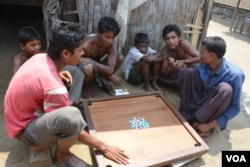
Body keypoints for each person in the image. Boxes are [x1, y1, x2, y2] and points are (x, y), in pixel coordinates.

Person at [4, 23, 129, 166]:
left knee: (74, 73)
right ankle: (62, 156)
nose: (82, 54)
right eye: (79, 50)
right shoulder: (54, 88)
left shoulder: (40, 58)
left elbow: (42, 77)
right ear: (65, 53)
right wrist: (104, 147)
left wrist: (57, 73)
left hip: (17, 117)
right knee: (73, 116)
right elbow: (70, 122)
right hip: (24, 130)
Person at [176, 36, 245, 141]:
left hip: (213, 108)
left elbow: (235, 108)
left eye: (202, 52)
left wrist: (209, 125)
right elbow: (196, 86)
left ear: (212, 55)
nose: (199, 54)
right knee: (188, 72)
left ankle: (201, 123)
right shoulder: (204, 65)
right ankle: (188, 114)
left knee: (225, 89)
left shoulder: (235, 75)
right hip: (203, 101)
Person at [78, 16, 124, 97]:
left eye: (113, 38)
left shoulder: (112, 45)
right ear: (99, 32)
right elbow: (75, 60)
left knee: (120, 58)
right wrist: (89, 62)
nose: (110, 41)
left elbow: (110, 70)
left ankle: (103, 82)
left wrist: (91, 61)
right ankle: (85, 87)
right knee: (88, 68)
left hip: (96, 65)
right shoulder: (86, 45)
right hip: (85, 68)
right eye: (107, 37)